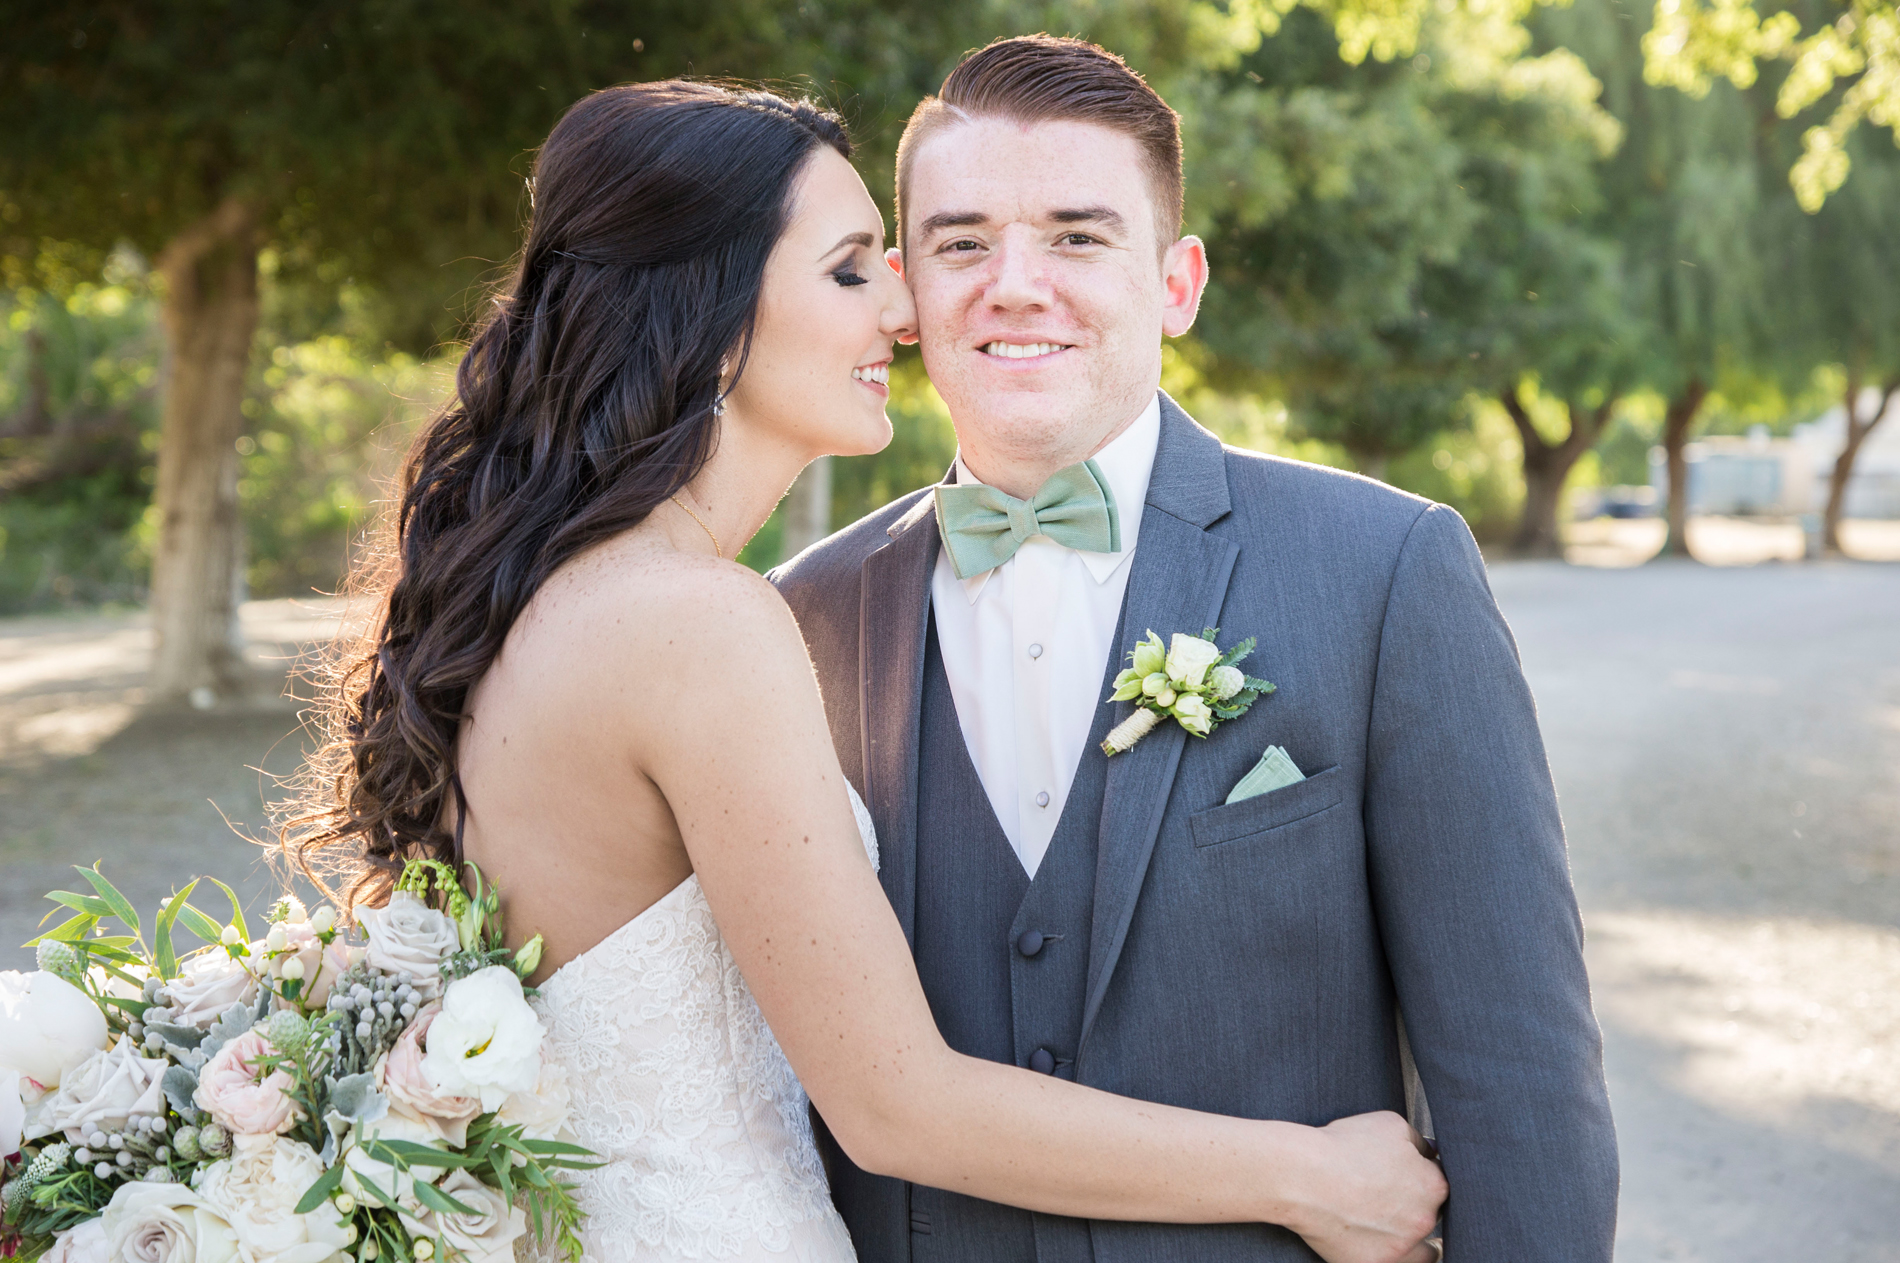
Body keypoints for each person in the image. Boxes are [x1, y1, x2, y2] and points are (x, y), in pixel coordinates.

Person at [283, 79, 1446, 1263]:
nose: (904, 306)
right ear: (713, 313)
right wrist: (1308, 1176)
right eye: (850, 270)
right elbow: (898, 1107)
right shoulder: (702, 622)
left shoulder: (558, 601)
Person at [770, 35, 1620, 1262]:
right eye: (963, 242)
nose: (1012, 284)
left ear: (1177, 282)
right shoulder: (805, 614)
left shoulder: (1386, 570)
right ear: (902, 290)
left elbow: (1517, 1072)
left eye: (1076, 235)